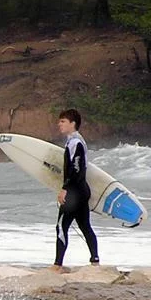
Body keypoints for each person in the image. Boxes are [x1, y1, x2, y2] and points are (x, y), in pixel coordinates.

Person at [50, 108, 100, 271]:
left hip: (75, 193)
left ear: (72, 123)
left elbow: (76, 170)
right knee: (85, 226)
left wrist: (65, 189)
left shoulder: (75, 143)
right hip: (82, 191)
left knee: (61, 226)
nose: (59, 124)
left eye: (63, 121)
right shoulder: (74, 141)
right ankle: (95, 261)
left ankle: (57, 265)